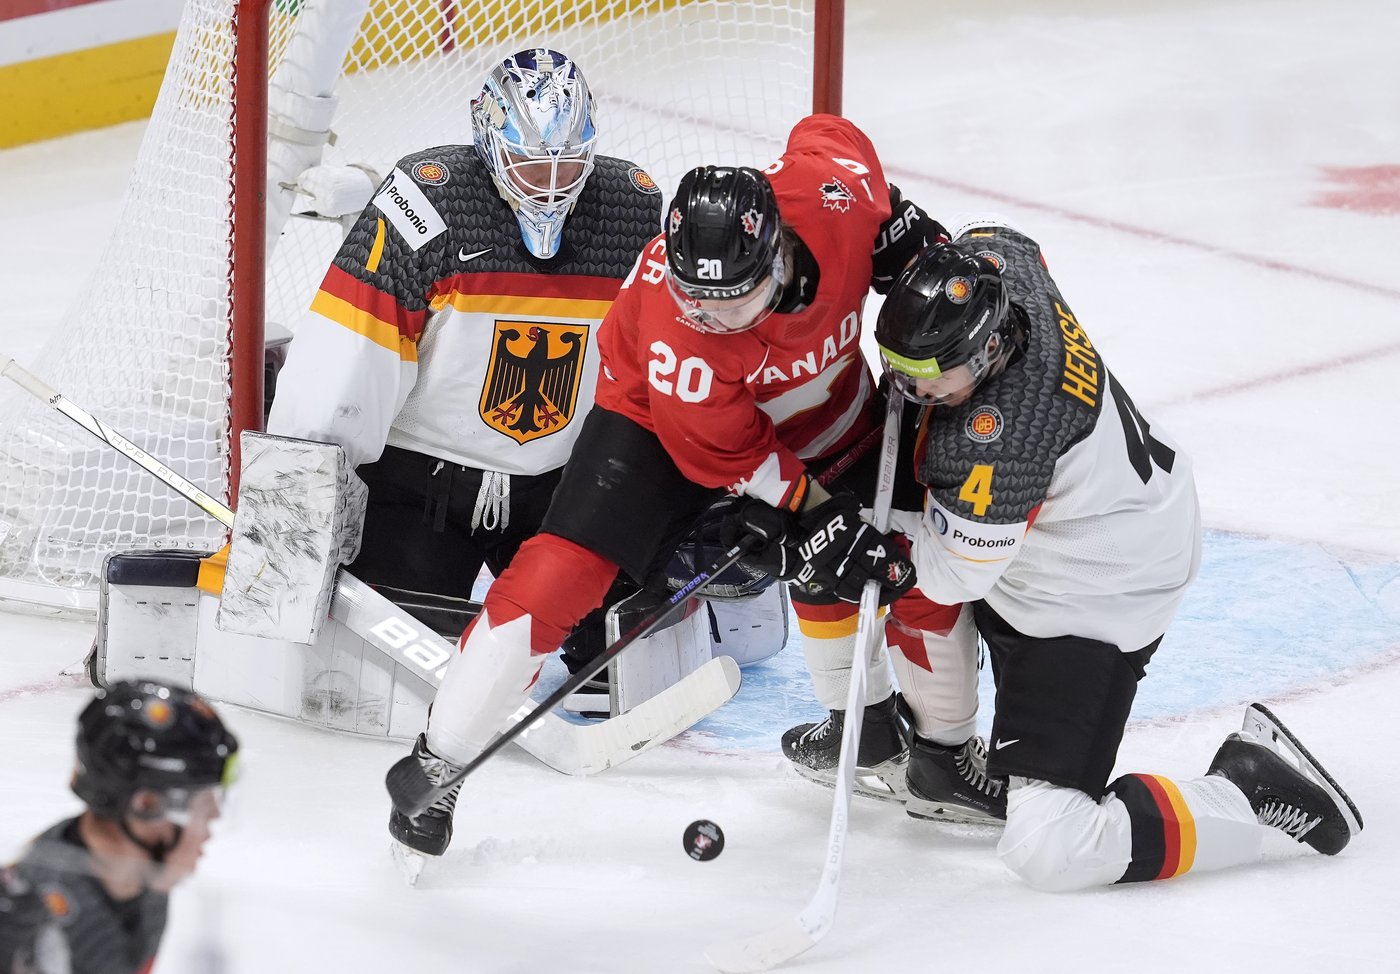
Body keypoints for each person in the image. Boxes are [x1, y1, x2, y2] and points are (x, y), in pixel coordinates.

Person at [384, 112, 946, 858]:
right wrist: (806, 511)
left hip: (830, 410)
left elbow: (829, 134)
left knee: (917, 542)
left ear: (775, 255)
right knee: (564, 570)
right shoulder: (680, 338)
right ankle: (439, 758)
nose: (708, 316)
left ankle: (918, 734)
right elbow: (731, 453)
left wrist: (899, 227)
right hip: (657, 422)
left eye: (729, 301)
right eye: (694, 300)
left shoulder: (832, 196)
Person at [853, 223, 1362, 890]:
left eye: (931, 378)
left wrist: (863, 540)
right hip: (1108, 524)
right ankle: (936, 742)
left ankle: (1246, 790)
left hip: (1096, 600)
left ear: (985, 353)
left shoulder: (995, 441)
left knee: (1050, 845)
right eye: (902, 368)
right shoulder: (1004, 276)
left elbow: (950, 578)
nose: (910, 390)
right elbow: (1006, 240)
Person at [266, 48, 662, 670]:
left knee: (626, 657)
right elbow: (347, 365)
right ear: (490, 141)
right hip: (423, 485)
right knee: (386, 668)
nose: (551, 185)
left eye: (566, 166)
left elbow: (658, 361)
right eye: (531, 167)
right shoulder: (431, 205)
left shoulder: (631, 209)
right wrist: (298, 498)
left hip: (561, 486)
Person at [7, 681, 238, 972]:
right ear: (146, 805)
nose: (214, 819)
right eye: (203, 805)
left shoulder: (145, 881)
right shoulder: (26, 917)